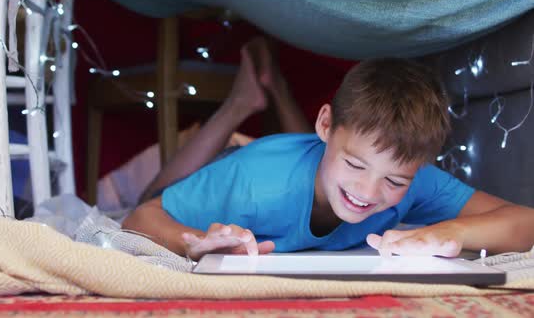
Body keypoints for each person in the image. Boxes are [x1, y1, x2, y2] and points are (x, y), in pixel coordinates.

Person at [122, 37, 534, 261]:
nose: (369, 193)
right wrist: (189, 239)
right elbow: (140, 216)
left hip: (305, 155)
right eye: (356, 164)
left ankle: (278, 90)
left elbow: (524, 221)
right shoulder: (253, 184)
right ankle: (241, 104)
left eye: (393, 180)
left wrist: (448, 232)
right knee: (152, 195)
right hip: (244, 160)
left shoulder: (413, 178)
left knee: (324, 164)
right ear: (324, 122)